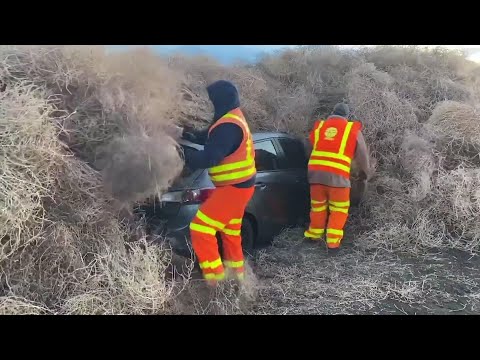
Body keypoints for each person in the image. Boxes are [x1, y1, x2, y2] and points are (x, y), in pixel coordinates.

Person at [180, 80, 256, 287]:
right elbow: (212, 136)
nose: (210, 104)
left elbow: (210, 158)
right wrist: (191, 135)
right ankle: (237, 279)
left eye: (212, 100)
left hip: (233, 189)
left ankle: (216, 282)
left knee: (201, 228)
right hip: (240, 187)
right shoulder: (231, 117)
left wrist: (183, 155)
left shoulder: (229, 126)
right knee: (231, 233)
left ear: (219, 101)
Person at [304, 103, 370, 252]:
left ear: (332, 113)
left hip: (316, 175)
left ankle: (314, 235)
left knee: (318, 206)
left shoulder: (320, 127)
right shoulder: (351, 129)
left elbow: (308, 147)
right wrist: (364, 174)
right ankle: (332, 243)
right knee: (339, 209)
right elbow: (362, 155)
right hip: (338, 178)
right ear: (347, 117)